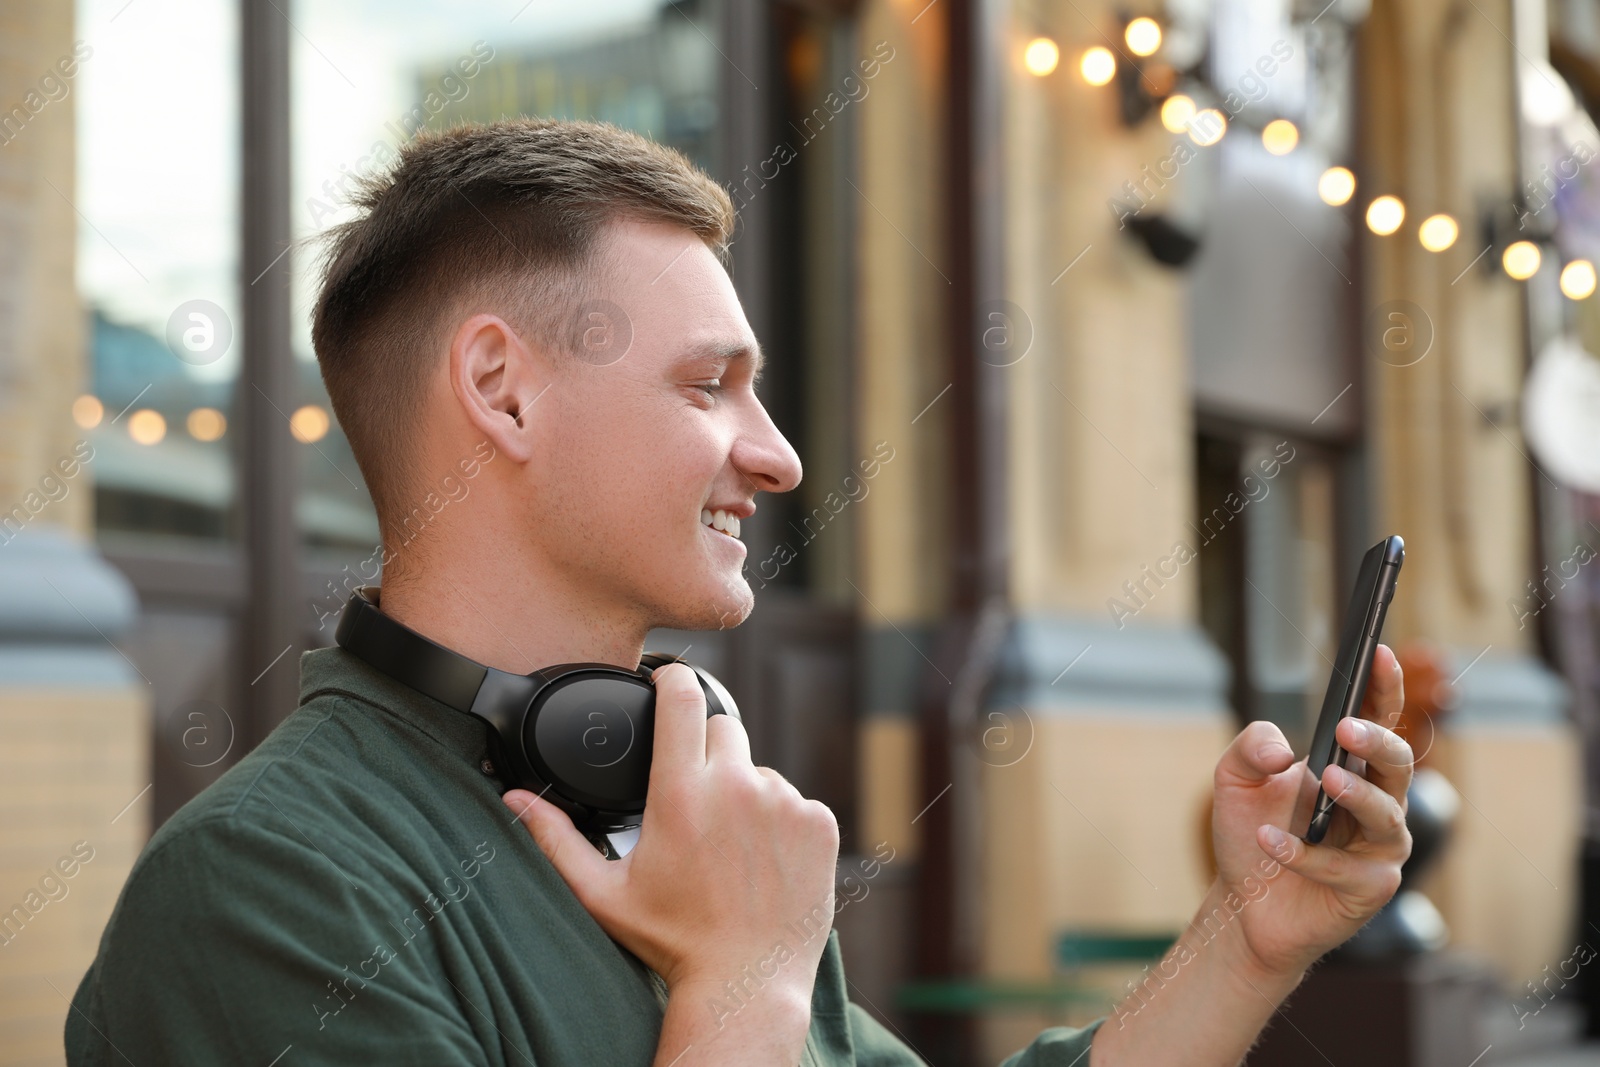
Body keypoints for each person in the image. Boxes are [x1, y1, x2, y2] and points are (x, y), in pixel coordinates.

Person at [66, 119, 1413, 1066]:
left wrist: (1247, 937)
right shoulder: (260, 899)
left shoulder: (680, 814)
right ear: (500, 388)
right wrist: (745, 996)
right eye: (707, 386)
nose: (777, 455)